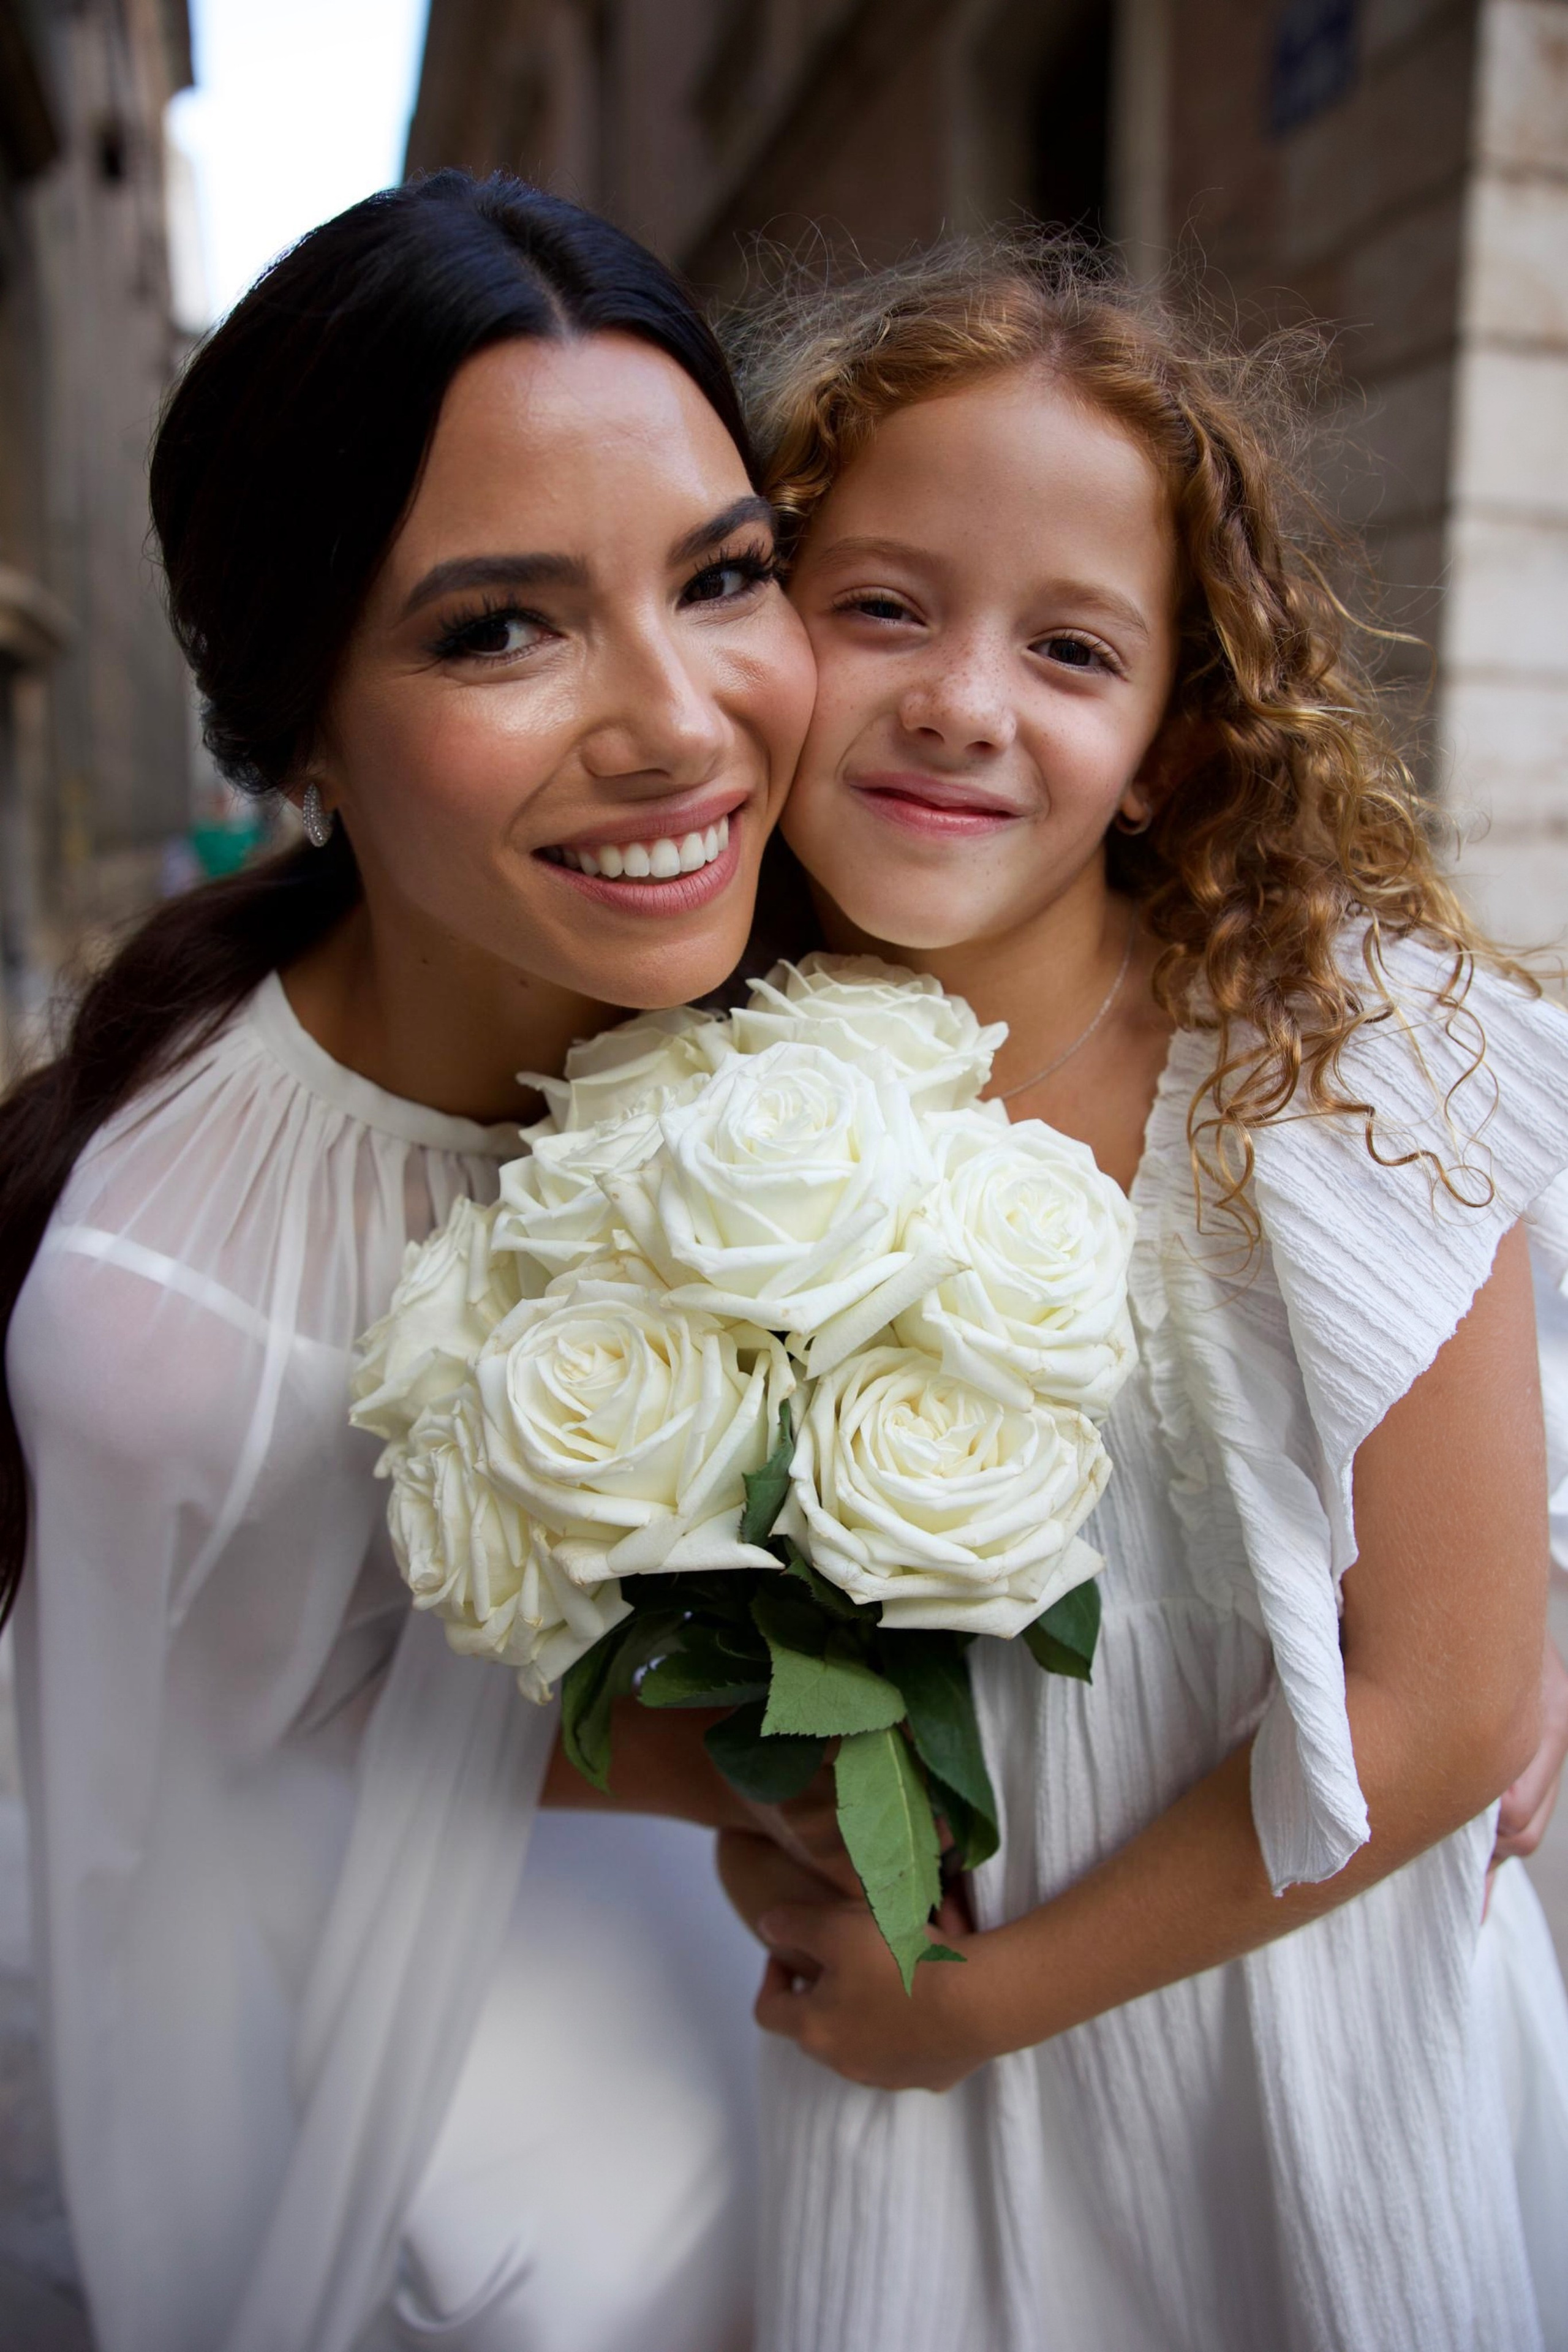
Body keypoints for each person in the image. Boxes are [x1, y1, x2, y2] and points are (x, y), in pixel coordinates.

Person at [716, 238, 1568, 2351]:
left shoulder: (1331, 1064)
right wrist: (748, 1811)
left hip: (1280, 2014)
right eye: (882, 604)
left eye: (1073, 649)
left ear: (1179, 739)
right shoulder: (690, 1105)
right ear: (752, 630)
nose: (962, 697)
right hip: (904, 2037)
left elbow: (1448, 1703)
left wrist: (985, 2000)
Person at [0, 171, 820, 2352]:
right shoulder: (174, 1321)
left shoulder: (845, 1010)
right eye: (499, 628)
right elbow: (125, 1982)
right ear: (297, 740)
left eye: (725, 575)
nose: (678, 722)